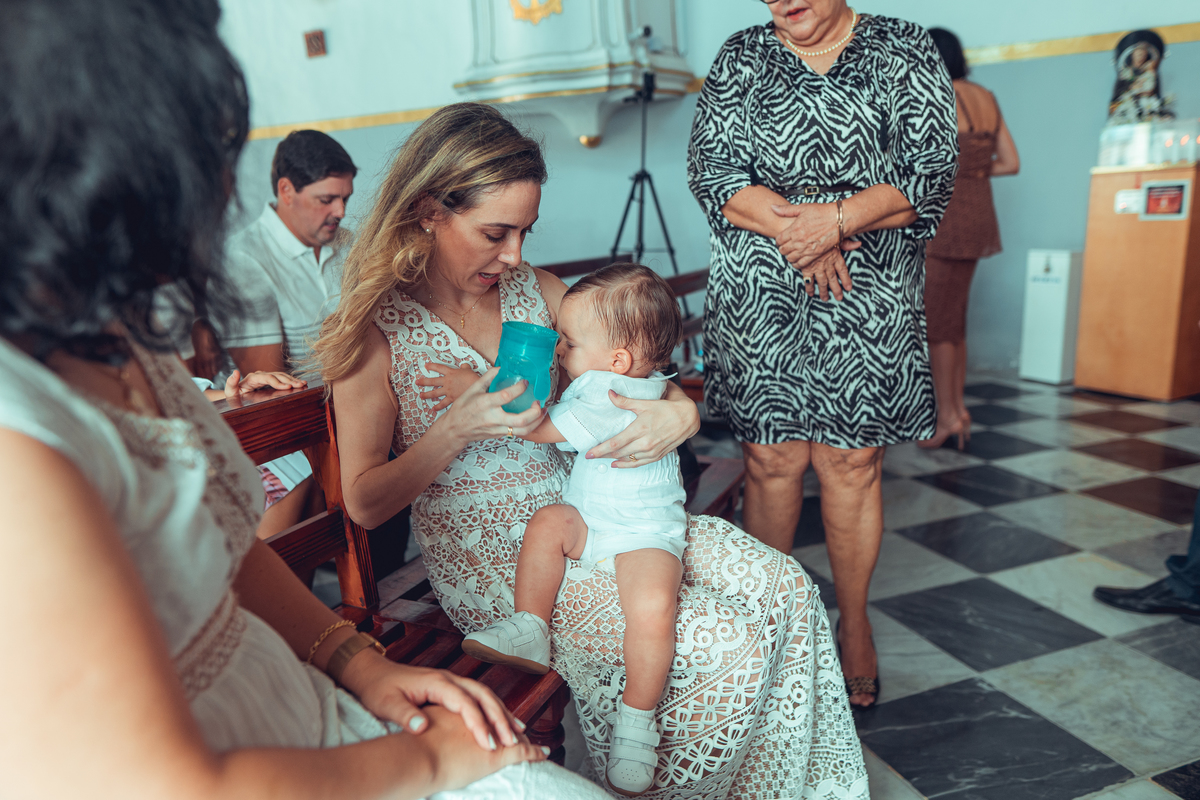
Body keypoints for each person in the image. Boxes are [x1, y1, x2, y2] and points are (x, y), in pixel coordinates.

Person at [0, 2, 608, 798]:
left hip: (300, 697)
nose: (224, 187)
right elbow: (164, 782)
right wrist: (429, 761)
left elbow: (223, 541)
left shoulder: (122, 339)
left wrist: (355, 660)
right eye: (211, 149)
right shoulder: (22, 440)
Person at [318, 102, 869, 799]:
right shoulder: (376, 331)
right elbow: (363, 505)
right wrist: (456, 426)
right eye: (495, 232)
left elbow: (630, 364)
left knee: (786, 588)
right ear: (428, 209)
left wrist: (681, 413)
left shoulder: (535, 293)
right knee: (723, 644)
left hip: (600, 505)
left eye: (524, 231)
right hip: (506, 564)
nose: (515, 255)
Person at [686, 0, 959, 708]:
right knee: (771, 461)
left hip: (868, 292)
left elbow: (927, 172)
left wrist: (835, 221)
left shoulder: (903, 46)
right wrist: (802, 235)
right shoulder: (741, 55)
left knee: (852, 461)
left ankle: (855, 622)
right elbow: (713, 173)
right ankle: (774, 628)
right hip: (761, 290)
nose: (778, 1)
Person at [463, 264, 687, 796]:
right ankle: (531, 627)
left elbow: (537, 428)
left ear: (618, 360)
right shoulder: (618, 380)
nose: (560, 349)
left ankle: (637, 721)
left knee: (653, 606)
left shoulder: (609, 393)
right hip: (590, 520)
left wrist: (470, 388)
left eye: (569, 340)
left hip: (643, 533)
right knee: (549, 523)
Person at [919, 27, 1020, 450]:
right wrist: (975, 170)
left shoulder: (935, 96)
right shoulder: (985, 96)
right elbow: (1010, 163)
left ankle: (947, 418)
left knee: (939, 327)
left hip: (945, 223)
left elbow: (923, 166)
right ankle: (958, 411)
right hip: (979, 219)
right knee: (954, 324)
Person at [222, 128, 358, 376]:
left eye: (345, 199)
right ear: (286, 191)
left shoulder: (348, 242)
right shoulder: (244, 259)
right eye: (327, 200)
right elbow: (269, 386)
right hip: (300, 411)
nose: (341, 212)